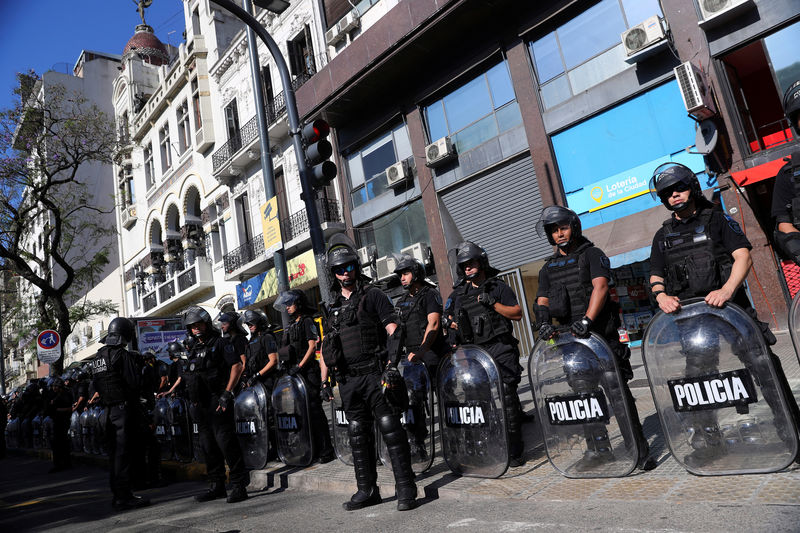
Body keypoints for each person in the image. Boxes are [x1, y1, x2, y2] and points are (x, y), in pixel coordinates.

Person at [649, 162, 800, 467]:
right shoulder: (662, 235)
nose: (675, 195)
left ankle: (793, 434)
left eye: (680, 188)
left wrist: (728, 290)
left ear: (692, 186)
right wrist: (662, 296)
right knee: (697, 382)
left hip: (731, 310)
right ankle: (708, 442)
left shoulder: (717, 220)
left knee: (763, 367)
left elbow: (743, 255)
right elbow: (655, 275)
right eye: (668, 193)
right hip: (691, 319)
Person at [534, 205, 656, 472]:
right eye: (553, 231)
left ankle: (639, 450)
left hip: (600, 337)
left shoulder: (592, 255)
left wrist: (587, 320)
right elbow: (542, 300)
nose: (559, 234)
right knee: (584, 398)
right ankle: (598, 450)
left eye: (563, 228)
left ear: (574, 227)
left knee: (618, 395)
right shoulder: (548, 268)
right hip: (571, 344)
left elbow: (600, 287)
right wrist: (543, 324)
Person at [320, 233, 417, 511]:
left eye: (349, 266)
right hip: (349, 380)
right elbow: (328, 348)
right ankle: (367, 490)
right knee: (357, 432)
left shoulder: (373, 295)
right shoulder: (333, 308)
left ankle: (406, 489)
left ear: (356, 266)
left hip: (376, 375)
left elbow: (394, 331)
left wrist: (390, 367)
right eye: (339, 269)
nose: (345, 273)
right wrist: (324, 381)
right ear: (334, 274)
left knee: (390, 428)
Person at [444, 241, 526, 467]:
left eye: (471, 263)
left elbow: (517, 313)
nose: (467, 268)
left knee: (507, 399)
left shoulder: (497, 287)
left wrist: (493, 304)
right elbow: (449, 317)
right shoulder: (459, 294)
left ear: (481, 261)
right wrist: (450, 324)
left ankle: (515, 451)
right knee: (479, 400)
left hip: (500, 347)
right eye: (464, 265)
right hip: (475, 353)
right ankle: (491, 445)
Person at [181, 306, 249, 503]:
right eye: (192, 326)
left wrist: (227, 394)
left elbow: (236, 366)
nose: (196, 328)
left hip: (217, 401)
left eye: (199, 324)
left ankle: (238, 486)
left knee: (227, 444)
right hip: (200, 405)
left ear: (206, 323)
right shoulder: (192, 348)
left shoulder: (220, 343)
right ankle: (216, 486)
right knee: (208, 447)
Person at [89, 317, 151, 511]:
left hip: (106, 412)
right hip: (123, 410)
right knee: (124, 455)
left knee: (114, 456)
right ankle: (124, 496)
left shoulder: (98, 357)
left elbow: (96, 385)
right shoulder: (121, 355)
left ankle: (119, 494)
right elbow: (134, 383)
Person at [392, 253, 450, 459]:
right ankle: (417, 442)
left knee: (446, 397)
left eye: (405, 273)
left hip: (433, 354)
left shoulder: (429, 294)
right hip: (412, 360)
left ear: (416, 273)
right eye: (400, 275)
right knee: (412, 402)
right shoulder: (400, 303)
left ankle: (456, 438)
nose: (402, 278)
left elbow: (434, 324)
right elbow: (396, 334)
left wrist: (422, 351)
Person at [274, 289, 335, 463]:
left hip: (308, 373)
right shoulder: (292, 325)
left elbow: (312, 346)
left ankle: (326, 450)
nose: (287, 307)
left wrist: (300, 366)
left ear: (298, 304)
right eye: (285, 304)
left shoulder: (307, 321)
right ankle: (312, 450)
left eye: (289, 304)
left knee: (315, 412)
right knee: (302, 414)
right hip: (295, 375)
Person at [47, 377, 73, 473]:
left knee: (61, 442)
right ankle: (61, 463)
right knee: (58, 443)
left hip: (63, 421)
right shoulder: (55, 395)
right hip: (57, 421)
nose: (54, 388)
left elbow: (70, 408)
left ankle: (62, 463)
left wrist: (59, 410)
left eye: (55, 386)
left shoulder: (65, 395)